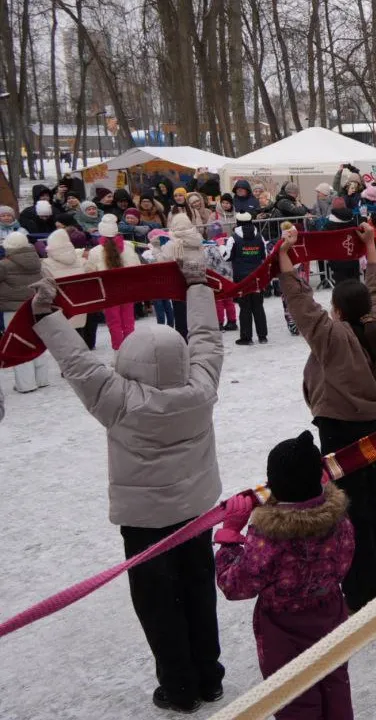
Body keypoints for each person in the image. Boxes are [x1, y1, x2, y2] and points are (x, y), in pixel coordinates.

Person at [30, 256, 225, 713]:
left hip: (144, 525)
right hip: (197, 513)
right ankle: (209, 677)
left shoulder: (119, 399)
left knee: (159, 605)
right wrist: (197, 287)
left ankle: (179, 687)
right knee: (199, 590)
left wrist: (45, 314)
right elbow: (207, 340)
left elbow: (77, 362)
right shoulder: (201, 386)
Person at [276, 223, 376, 613]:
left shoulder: (332, 337)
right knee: (373, 506)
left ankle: (363, 594)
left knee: (351, 511)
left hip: (340, 431)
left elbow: (301, 304)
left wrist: (284, 256)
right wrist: (369, 247)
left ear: (338, 310)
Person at [214, 431, 355, 719]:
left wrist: (229, 537)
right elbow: (345, 560)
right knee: (335, 684)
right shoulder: (339, 519)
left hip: (282, 629)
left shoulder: (270, 537)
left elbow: (235, 585)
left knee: (295, 698)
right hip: (330, 614)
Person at [0, 230, 53, 392]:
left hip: (12, 308)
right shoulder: (36, 260)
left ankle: (26, 384)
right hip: (34, 306)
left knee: (18, 344)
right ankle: (42, 378)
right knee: (36, 340)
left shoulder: (4, 265)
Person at [84, 215, 140, 350]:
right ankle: (131, 349)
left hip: (108, 289)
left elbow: (89, 271)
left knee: (113, 322)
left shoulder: (95, 251)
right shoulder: (129, 246)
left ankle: (118, 349)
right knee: (128, 320)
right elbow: (137, 266)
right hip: (127, 287)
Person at [224, 213, 269, 346]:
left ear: (237, 222)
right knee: (258, 306)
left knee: (245, 307)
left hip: (241, 278)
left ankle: (246, 337)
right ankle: (262, 336)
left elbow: (227, 257)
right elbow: (264, 255)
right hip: (256, 277)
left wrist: (221, 246)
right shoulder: (259, 236)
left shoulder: (233, 238)